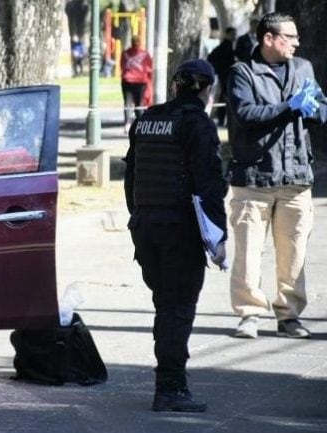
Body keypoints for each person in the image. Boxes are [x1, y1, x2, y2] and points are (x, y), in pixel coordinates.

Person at [125, 59, 227, 412]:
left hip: (145, 226)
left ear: (175, 86)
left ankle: (168, 382)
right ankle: (170, 388)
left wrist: (138, 216)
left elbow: (131, 177)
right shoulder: (196, 123)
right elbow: (208, 184)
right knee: (177, 307)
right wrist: (217, 237)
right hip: (178, 229)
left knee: (165, 304)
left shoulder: (147, 118)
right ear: (206, 90)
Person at [226, 12, 327, 339]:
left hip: (296, 176)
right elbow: (246, 115)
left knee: (294, 252)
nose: (297, 42)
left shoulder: (303, 69)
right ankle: (249, 314)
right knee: (248, 253)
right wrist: (289, 106)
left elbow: (322, 108)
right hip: (254, 176)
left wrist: (315, 111)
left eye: (297, 37)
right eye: (290, 36)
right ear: (269, 38)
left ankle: (289, 316)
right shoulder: (242, 73)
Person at [120, 34, 152, 134]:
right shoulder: (145, 55)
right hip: (140, 82)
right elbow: (149, 69)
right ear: (139, 42)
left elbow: (122, 66)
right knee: (140, 104)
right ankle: (140, 125)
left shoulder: (125, 53)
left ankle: (127, 124)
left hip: (127, 81)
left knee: (127, 104)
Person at [207, 27, 237, 126]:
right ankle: (222, 119)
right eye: (232, 34)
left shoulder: (228, 46)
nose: (234, 36)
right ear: (228, 34)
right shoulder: (225, 47)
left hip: (224, 75)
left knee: (223, 98)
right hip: (225, 76)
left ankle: (222, 119)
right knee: (225, 98)